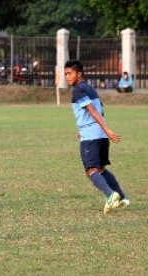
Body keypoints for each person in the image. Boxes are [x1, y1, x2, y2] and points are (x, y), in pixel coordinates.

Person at [64, 60, 130, 214]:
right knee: (101, 169)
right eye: (66, 74)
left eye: (70, 73)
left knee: (91, 170)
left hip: (92, 136)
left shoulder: (78, 90)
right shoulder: (90, 89)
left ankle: (111, 195)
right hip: (99, 134)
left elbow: (92, 110)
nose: (67, 77)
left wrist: (106, 129)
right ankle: (122, 197)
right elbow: (99, 110)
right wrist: (99, 129)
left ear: (79, 73)